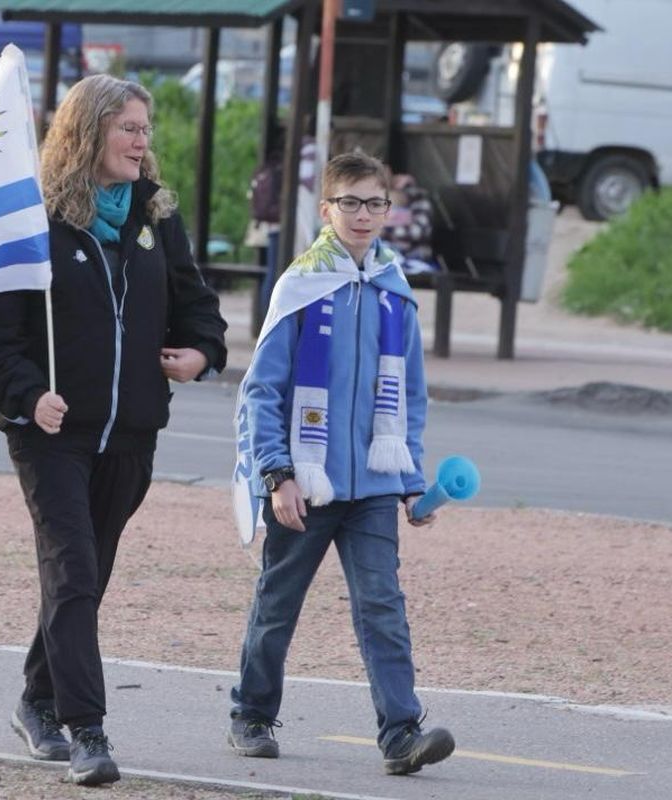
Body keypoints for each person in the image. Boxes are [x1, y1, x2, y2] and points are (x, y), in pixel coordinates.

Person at [0, 74, 227, 786]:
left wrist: (201, 352)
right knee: (75, 571)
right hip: (51, 435)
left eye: (146, 130)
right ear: (88, 133)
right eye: (129, 129)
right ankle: (88, 731)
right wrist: (29, 395)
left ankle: (35, 700)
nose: (143, 143)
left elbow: (197, 303)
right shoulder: (35, 221)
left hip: (132, 435)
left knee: (81, 580)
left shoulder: (154, 214)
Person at [229, 152, 454, 776]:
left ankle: (401, 733)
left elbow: (409, 394)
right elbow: (261, 391)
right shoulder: (302, 285)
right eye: (350, 202)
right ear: (326, 209)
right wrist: (276, 473)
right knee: (279, 601)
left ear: (389, 209)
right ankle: (250, 712)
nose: (363, 214)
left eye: (374, 202)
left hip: (376, 484)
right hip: (306, 479)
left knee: (382, 603)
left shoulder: (395, 292)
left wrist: (411, 481)